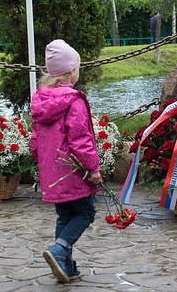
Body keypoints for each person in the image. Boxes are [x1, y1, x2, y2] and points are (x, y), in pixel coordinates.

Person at [30, 39, 102, 283]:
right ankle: (59, 250)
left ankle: (66, 267)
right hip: (73, 170)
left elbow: (35, 140)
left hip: (53, 171)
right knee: (85, 213)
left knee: (64, 216)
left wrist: (43, 166)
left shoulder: (41, 98)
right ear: (71, 71)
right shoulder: (74, 100)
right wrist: (92, 168)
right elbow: (80, 139)